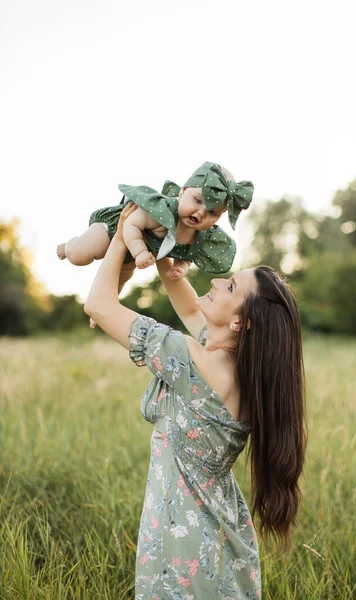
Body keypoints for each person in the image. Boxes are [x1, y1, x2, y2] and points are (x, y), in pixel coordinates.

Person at [84, 204, 307, 599]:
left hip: (181, 541)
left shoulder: (189, 359)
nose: (219, 281)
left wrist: (123, 233)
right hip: (219, 536)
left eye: (232, 287)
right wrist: (166, 244)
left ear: (241, 321)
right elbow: (187, 305)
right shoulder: (244, 371)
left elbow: (99, 305)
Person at [57, 162, 253, 286]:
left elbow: (187, 256)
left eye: (212, 212)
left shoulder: (201, 237)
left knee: (121, 279)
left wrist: (181, 268)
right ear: (183, 191)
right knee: (81, 255)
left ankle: (103, 308)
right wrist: (140, 251)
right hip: (115, 229)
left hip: (132, 255)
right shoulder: (163, 211)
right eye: (198, 200)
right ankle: (69, 246)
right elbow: (131, 223)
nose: (201, 212)